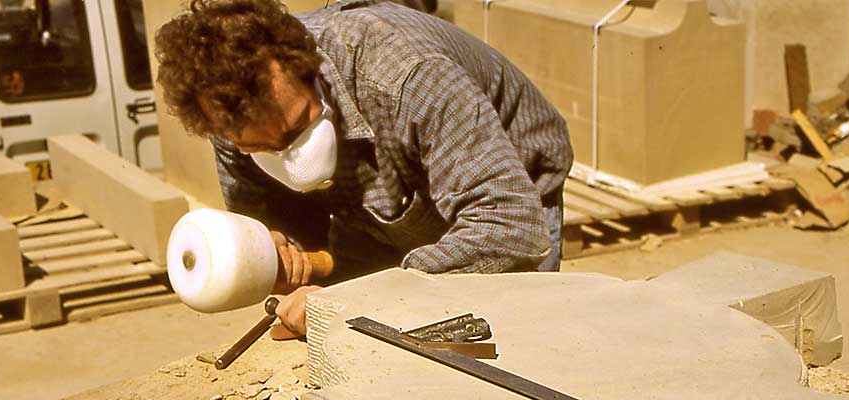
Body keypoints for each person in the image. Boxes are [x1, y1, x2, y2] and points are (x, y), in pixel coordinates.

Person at [154, 0, 573, 336]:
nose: (294, 159)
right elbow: (281, 231)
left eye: (299, 125)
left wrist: (367, 297)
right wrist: (281, 254)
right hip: (377, 200)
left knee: (494, 340)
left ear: (307, 68)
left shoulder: (406, 76)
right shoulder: (228, 118)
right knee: (370, 342)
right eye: (263, 147)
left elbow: (512, 225)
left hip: (510, 189)